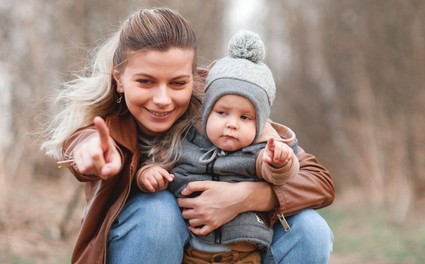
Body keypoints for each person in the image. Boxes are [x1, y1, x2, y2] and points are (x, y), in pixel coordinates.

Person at [40, 7, 335, 264]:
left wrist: (246, 197)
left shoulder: (223, 108)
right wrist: (87, 150)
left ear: (194, 78)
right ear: (119, 79)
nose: (162, 99)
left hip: (240, 248)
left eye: (177, 83)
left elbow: (319, 181)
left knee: (311, 229)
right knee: (158, 212)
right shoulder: (109, 128)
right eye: (145, 82)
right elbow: (84, 142)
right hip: (155, 248)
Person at [136, 30, 300, 263]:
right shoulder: (185, 141)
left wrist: (280, 162)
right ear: (206, 112)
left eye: (245, 118)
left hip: (245, 255)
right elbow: (155, 160)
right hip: (192, 253)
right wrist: (148, 174)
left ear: (261, 123)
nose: (232, 124)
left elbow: (279, 174)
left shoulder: (260, 150)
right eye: (222, 113)